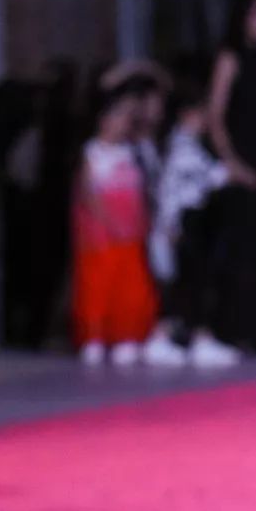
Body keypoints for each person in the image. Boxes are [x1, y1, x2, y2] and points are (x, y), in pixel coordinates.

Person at [143, 71, 241, 367]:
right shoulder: (181, 145)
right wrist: (233, 172)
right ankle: (176, 337)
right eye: (202, 113)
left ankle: (192, 337)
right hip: (180, 225)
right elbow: (201, 177)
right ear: (187, 114)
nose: (206, 120)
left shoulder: (183, 143)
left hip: (185, 223)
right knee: (186, 284)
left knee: (188, 283)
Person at [205, 0, 256, 355]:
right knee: (237, 249)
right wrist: (232, 163)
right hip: (236, 163)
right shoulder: (229, 57)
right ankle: (230, 330)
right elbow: (215, 116)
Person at [69, 83, 159, 365]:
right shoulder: (92, 151)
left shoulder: (130, 151)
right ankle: (94, 337)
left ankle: (126, 335)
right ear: (103, 119)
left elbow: (139, 194)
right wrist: (109, 222)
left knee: (131, 285)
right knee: (97, 284)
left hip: (130, 233)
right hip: (101, 234)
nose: (123, 123)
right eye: (118, 116)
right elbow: (87, 193)